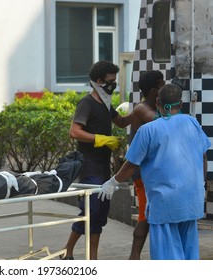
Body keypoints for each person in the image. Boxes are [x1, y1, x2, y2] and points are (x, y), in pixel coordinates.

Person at [98, 83, 210, 260]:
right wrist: (200, 184)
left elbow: (131, 165)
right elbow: (203, 156)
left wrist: (112, 182)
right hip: (191, 201)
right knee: (189, 255)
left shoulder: (148, 130)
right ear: (181, 105)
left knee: (167, 260)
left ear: (157, 102)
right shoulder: (192, 123)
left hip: (165, 204)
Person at [61, 60, 132, 260]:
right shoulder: (87, 103)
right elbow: (74, 132)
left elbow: (121, 121)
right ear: (99, 81)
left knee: (99, 213)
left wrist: (141, 110)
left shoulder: (106, 104)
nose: (113, 85)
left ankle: (83, 256)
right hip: (88, 167)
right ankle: (78, 254)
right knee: (90, 210)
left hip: (103, 168)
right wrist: (100, 139)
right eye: (111, 82)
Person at [128, 70, 165, 259]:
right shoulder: (143, 109)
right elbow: (164, 123)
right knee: (144, 215)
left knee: (150, 214)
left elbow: (121, 122)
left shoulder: (147, 107)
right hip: (143, 174)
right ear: (153, 91)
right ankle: (134, 259)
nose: (165, 88)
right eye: (162, 86)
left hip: (151, 172)